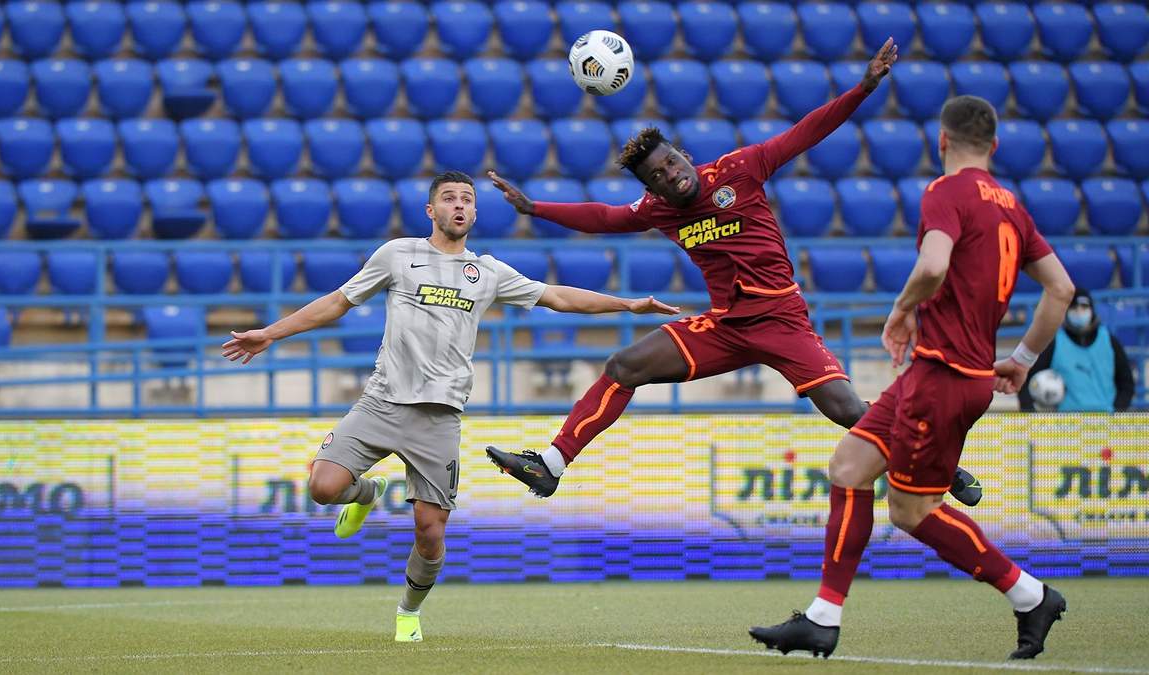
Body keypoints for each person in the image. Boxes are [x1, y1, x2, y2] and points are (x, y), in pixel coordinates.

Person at [484, 38, 982, 509]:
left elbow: (806, 131)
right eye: (657, 176)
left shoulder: (741, 169)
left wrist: (863, 88)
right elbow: (605, 217)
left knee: (849, 410)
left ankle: (944, 463)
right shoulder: (658, 209)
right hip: (725, 325)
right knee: (623, 366)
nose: (670, 175)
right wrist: (535, 208)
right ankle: (551, 463)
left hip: (782, 320)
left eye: (672, 163)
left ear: (684, 156)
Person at [221, 171, 678, 642]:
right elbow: (338, 302)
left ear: (475, 213)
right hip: (382, 402)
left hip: (439, 418)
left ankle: (408, 612)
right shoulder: (398, 255)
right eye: (449, 198)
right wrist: (270, 334)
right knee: (322, 486)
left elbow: (558, 297)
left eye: (467, 199)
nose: (459, 205)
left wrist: (628, 305)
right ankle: (366, 494)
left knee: (429, 533)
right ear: (431, 210)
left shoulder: (488, 272)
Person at [749, 96, 1076, 660]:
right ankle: (823, 619)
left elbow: (932, 265)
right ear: (994, 147)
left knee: (911, 511)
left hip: (944, 376)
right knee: (849, 466)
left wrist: (901, 309)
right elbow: (1062, 289)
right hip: (940, 370)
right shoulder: (1013, 208)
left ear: (942, 140)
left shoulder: (944, 193)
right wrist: (1022, 358)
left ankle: (1030, 596)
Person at [1018, 287, 1135, 412]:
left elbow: (1127, 383)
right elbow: (1024, 380)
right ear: (1066, 311)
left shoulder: (1110, 342)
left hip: (1105, 422)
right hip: (1068, 425)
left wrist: (1116, 411)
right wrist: (1030, 414)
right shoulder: (1055, 343)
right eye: (1074, 308)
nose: (1079, 312)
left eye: (1084, 307)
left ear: (1092, 310)